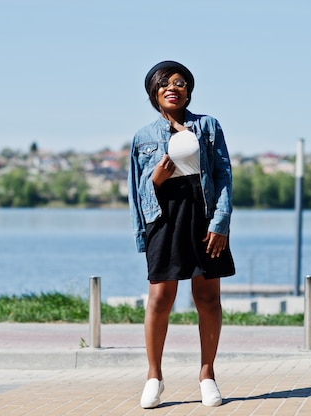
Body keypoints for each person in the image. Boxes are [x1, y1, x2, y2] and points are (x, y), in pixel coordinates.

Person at [128, 60, 235, 409]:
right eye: (165, 84)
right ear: (154, 92)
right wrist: (156, 179)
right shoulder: (143, 137)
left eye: (180, 82)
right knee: (160, 299)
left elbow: (223, 177)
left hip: (203, 216)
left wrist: (220, 223)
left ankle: (207, 376)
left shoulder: (208, 127)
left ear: (188, 90)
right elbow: (137, 190)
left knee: (207, 298)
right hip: (164, 217)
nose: (173, 88)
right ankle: (154, 378)